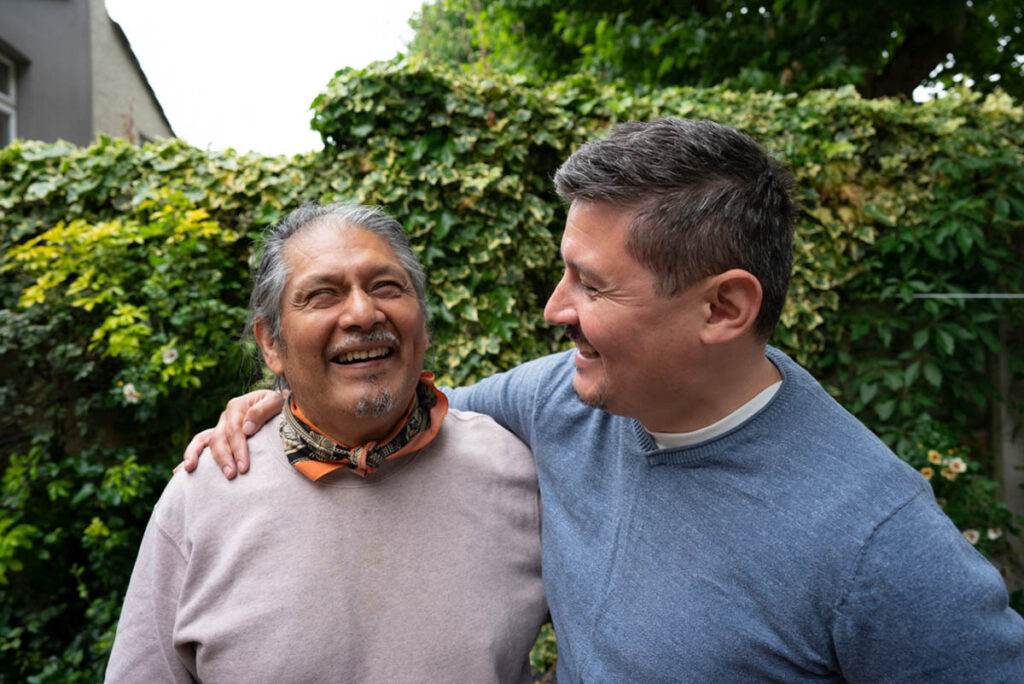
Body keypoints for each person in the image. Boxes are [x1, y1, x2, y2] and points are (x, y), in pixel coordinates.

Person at [185, 119, 1024, 681]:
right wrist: (281, 403)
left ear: (723, 308)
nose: (554, 309)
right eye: (564, 270)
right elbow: (398, 410)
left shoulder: (879, 547)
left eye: (591, 285)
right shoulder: (560, 399)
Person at [107, 204, 546, 683]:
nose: (362, 313)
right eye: (321, 295)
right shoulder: (205, 496)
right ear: (271, 344)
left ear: (422, 321)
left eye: (386, 287)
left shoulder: (515, 470)